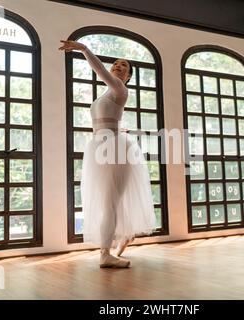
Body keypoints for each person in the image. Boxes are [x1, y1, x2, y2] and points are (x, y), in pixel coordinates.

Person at [59, 40, 158, 268]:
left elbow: (100, 70)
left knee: (110, 201)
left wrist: (83, 48)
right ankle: (119, 240)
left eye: (124, 66)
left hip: (114, 148)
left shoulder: (119, 88)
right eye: (116, 63)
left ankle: (106, 253)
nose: (118, 66)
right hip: (102, 145)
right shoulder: (108, 93)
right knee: (109, 201)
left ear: (129, 76)